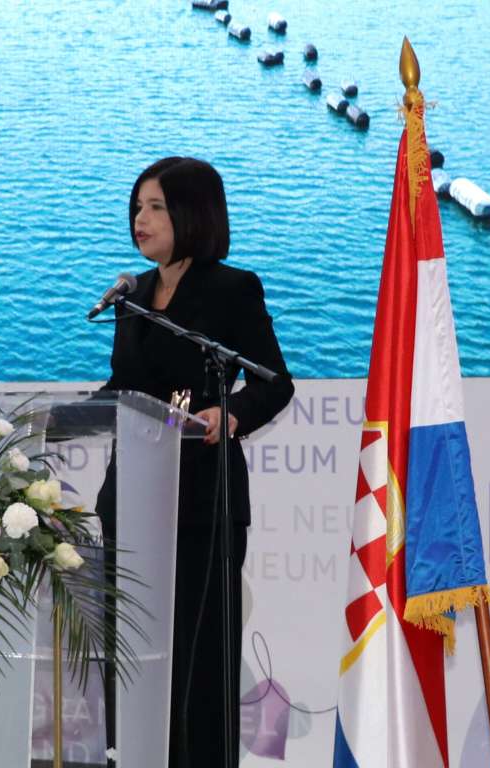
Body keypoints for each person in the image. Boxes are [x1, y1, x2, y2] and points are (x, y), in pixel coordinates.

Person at [95, 156, 294, 767]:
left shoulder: (232, 289)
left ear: (193, 214)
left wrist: (229, 415)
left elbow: (274, 382)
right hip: (132, 501)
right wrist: (63, 418)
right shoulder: (133, 295)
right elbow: (125, 388)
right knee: (131, 658)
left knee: (197, 665)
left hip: (203, 505)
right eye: (137, 207)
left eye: (156, 207)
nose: (141, 218)